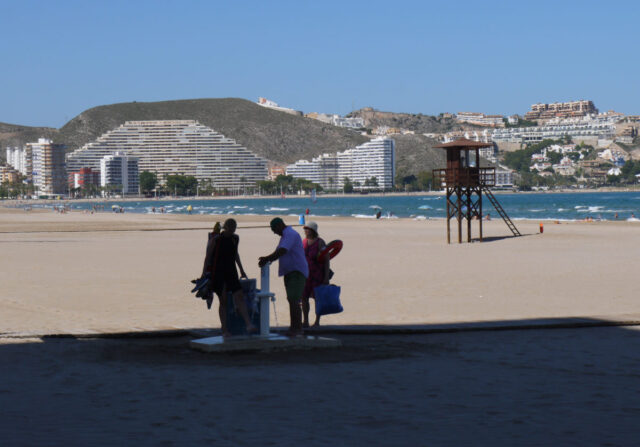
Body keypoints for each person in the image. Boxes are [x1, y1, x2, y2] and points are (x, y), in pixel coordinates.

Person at [202, 218, 256, 337]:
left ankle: (248, 324)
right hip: (218, 273)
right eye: (231, 228)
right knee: (224, 301)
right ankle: (224, 329)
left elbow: (236, 254)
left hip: (232, 272)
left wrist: (242, 269)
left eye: (234, 228)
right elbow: (208, 258)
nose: (232, 231)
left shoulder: (235, 238)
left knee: (239, 296)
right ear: (225, 228)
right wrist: (203, 275)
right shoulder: (216, 240)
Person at [259, 217, 308, 337]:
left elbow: (282, 251)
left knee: (294, 300)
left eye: (274, 229)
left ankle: (297, 329)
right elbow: (278, 252)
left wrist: (267, 258)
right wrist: (268, 260)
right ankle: (294, 328)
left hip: (296, 271)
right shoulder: (285, 236)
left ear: (280, 225)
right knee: (292, 300)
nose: (275, 232)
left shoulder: (289, 234)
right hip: (290, 272)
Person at [301, 221, 330, 328]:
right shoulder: (303, 241)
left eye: (307, 229)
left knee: (317, 298)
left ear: (312, 230)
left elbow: (327, 260)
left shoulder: (320, 242)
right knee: (304, 298)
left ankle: (317, 321)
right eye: (305, 229)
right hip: (305, 275)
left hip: (317, 275)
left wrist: (326, 277)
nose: (305, 231)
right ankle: (305, 321)